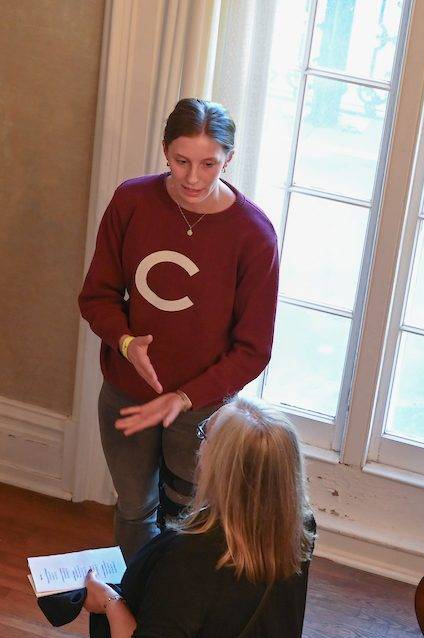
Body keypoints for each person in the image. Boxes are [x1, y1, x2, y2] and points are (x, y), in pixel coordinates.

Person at [77, 98, 279, 560]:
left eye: (209, 164)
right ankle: (135, 608)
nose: (193, 178)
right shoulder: (131, 201)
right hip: (128, 392)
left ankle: (172, 613)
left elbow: (253, 349)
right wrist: (126, 343)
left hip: (201, 407)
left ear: (230, 159)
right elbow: (96, 296)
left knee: (189, 520)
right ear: (164, 150)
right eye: (181, 161)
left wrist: (182, 398)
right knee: (133, 508)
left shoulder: (252, 234)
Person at [41, 397, 317, 638]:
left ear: (222, 467)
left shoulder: (190, 558)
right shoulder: (299, 526)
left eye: (204, 436)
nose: (199, 449)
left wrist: (109, 602)